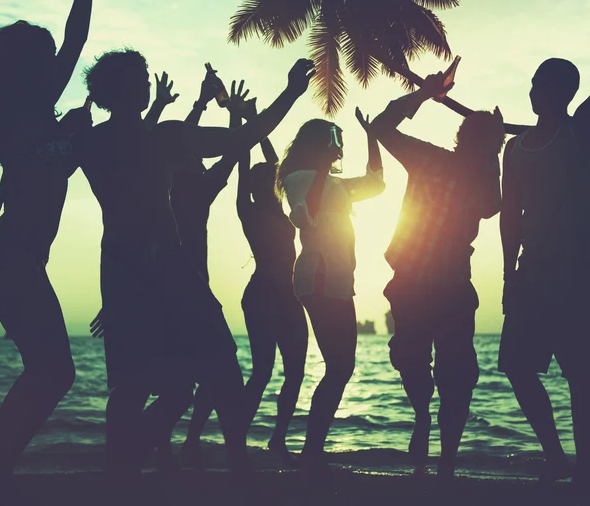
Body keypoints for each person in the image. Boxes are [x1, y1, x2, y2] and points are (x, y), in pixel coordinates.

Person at [76, 49, 314, 481]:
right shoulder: (159, 137)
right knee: (216, 363)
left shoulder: (92, 141)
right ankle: (222, 465)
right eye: (143, 77)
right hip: (164, 264)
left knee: (142, 385)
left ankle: (121, 469)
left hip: (121, 267)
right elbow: (243, 138)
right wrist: (291, 92)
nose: (149, 84)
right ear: (126, 86)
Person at [0, 0, 95, 496]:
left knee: (49, 370)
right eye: (46, 54)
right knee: (55, 370)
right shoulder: (3, 119)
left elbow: (77, 37)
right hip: (9, 254)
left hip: (27, 254)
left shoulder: (47, 107)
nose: (58, 57)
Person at [370, 73, 504, 480]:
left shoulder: (481, 180)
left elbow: (491, 207)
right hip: (411, 281)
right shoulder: (428, 158)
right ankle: (423, 416)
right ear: (464, 139)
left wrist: (492, 154)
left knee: (458, 374)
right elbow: (379, 127)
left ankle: (446, 460)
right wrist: (423, 95)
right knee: (410, 359)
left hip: (451, 287)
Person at [184, 91, 309, 463]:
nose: (269, 181)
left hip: (288, 296)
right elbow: (242, 160)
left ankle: (277, 441)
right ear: (256, 187)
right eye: (261, 180)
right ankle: (235, 439)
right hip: (263, 296)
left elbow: (274, 163)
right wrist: (240, 121)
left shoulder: (281, 209)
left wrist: (255, 120)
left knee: (295, 372)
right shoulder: (247, 210)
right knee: (263, 372)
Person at [499, 58, 590, 488]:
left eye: (540, 85)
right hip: (530, 272)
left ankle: (584, 467)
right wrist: (507, 272)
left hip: (574, 273)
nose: (532, 91)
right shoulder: (513, 148)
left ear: (562, 92)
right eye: (532, 83)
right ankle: (555, 456)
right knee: (517, 366)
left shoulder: (579, 135)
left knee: (579, 373)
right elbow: (509, 216)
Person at [277, 109, 385, 467]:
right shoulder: (299, 177)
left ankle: (312, 449)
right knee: (339, 366)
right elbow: (304, 214)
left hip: (340, 279)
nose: (338, 147)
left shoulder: (337, 184)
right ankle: (311, 451)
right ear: (317, 145)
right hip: (318, 275)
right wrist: (324, 166)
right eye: (332, 140)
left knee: (343, 367)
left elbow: (376, 184)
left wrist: (372, 136)